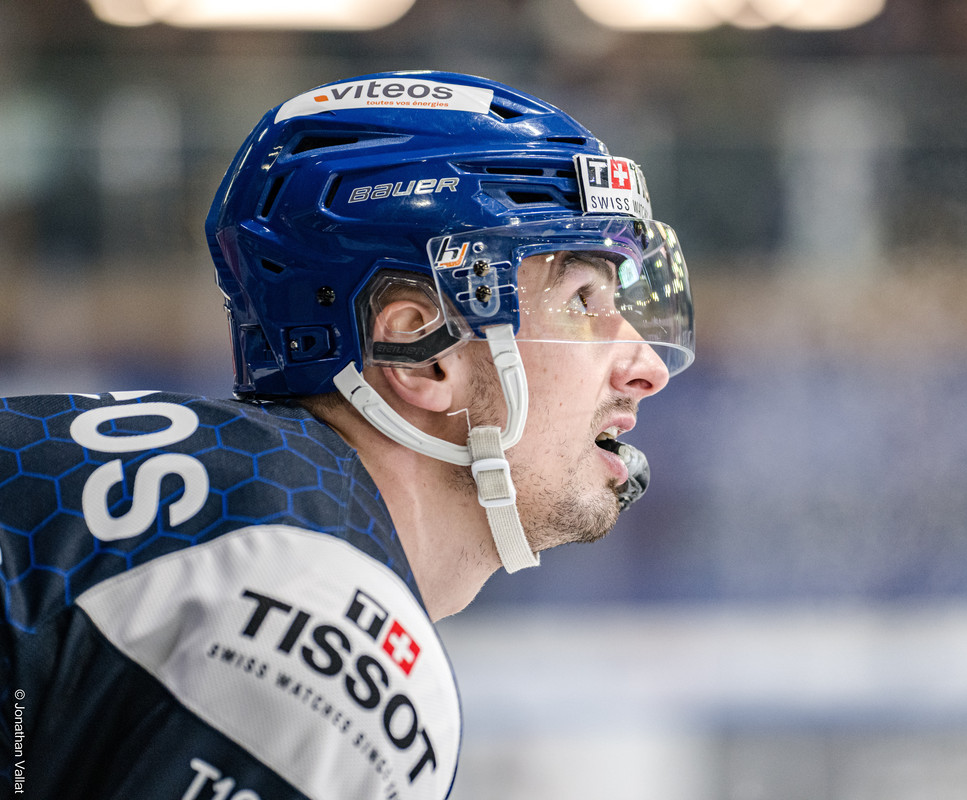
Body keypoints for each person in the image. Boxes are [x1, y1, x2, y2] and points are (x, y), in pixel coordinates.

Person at [0, 71, 694, 800]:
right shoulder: (327, 620)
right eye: (582, 300)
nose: (647, 369)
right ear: (423, 353)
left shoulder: (247, 513)